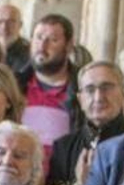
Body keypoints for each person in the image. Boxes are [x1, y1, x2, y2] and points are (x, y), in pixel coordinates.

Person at [48, 61, 124, 185]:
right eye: (90, 90)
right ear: (80, 100)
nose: (98, 98)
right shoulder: (63, 148)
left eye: (106, 88)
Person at [17, 13, 82, 160]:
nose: (42, 46)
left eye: (53, 40)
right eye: (38, 38)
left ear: (69, 45)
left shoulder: (83, 89)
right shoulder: (14, 84)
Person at [0, 3, 32, 73]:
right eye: (0, 22)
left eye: (10, 22)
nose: (4, 27)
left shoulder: (30, 54)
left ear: (20, 25)